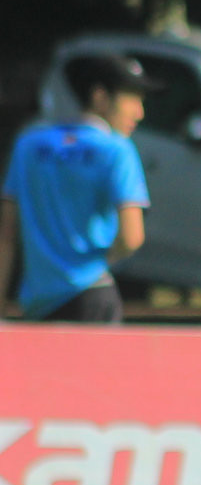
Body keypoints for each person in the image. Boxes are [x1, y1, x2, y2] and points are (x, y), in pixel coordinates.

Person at [0, 53, 155, 323]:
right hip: (92, 297)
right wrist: (96, 265)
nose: (139, 113)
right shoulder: (117, 149)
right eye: (131, 99)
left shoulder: (28, 144)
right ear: (100, 96)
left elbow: (6, 235)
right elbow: (132, 237)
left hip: (38, 303)